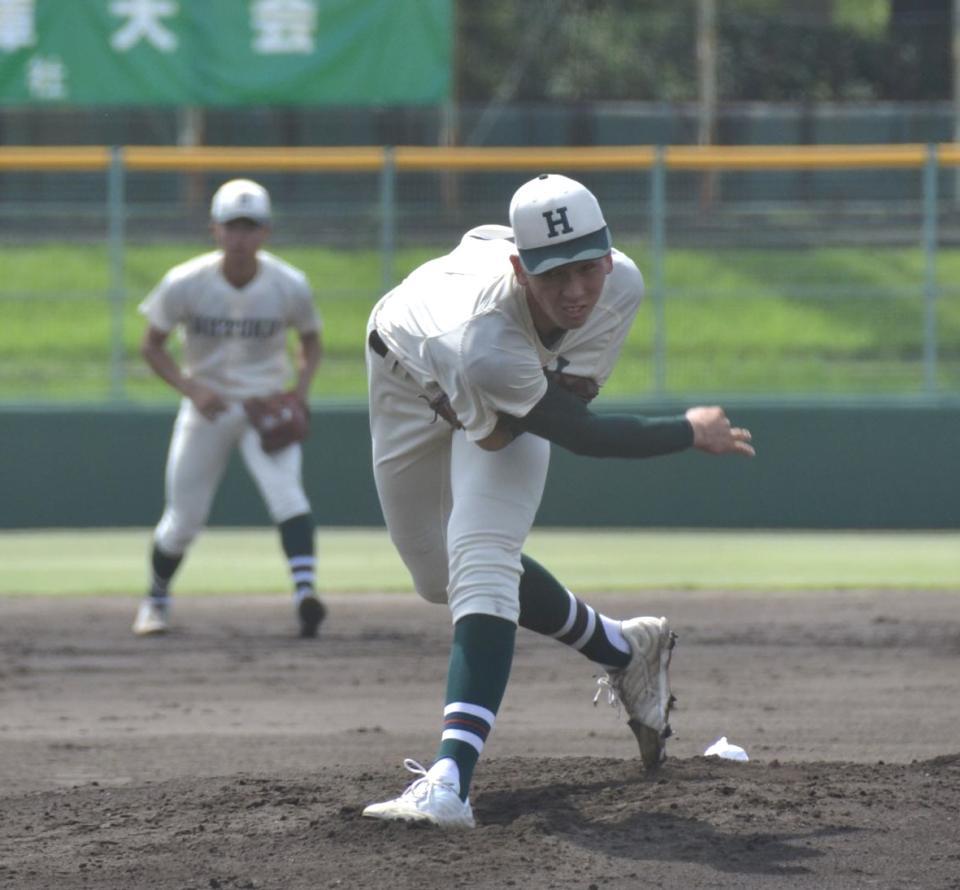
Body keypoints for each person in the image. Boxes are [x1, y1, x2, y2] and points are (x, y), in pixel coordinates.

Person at [361, 173, 755, 829]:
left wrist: (523, 405)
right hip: (410, 376)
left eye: (585, 269)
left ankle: (449, 779)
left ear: (607, 254)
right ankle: (627, 651)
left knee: (482, 557)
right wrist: (690, 430)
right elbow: (582, 435)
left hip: (493, 377)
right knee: (438, 578)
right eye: (552, 276)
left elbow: (564, 405)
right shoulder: (482, 339)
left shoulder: (619, 285)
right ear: (520, 268)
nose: (574, 293)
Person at [132, 178, 326, 639]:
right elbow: (152, 345)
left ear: (266, 232)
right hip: (207, 410)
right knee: (183, 519)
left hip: (264, 407)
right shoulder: (185, 281)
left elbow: (312, 340)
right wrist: (190, 388)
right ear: (214, 229)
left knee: (289, 498)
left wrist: (299, 390)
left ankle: (306, 595)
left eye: (250, 226)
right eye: (232, 226)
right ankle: (156, 599)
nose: (241, 236)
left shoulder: (289, 283)